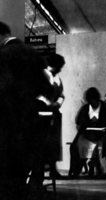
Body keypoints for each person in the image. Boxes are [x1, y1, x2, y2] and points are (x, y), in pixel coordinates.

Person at [0, 21, 51, 199]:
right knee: (23, 165)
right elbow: (47, 86)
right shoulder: (32, 53)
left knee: (7, 168)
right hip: (29, 118)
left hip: (7, 119)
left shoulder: (3, 55)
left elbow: (4, 87)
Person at [70, 87, 106, 178]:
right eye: (91, 101)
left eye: (94, 101)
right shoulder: (85, 108)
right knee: (75, 146)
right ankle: (76, 171)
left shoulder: (105, 108)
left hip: (101, 135)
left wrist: (103, 127)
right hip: (87, 134)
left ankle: (101, 168)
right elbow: (78, 121)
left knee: (103, 144)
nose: (93, 103)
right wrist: (86, 125)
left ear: (97, 99)